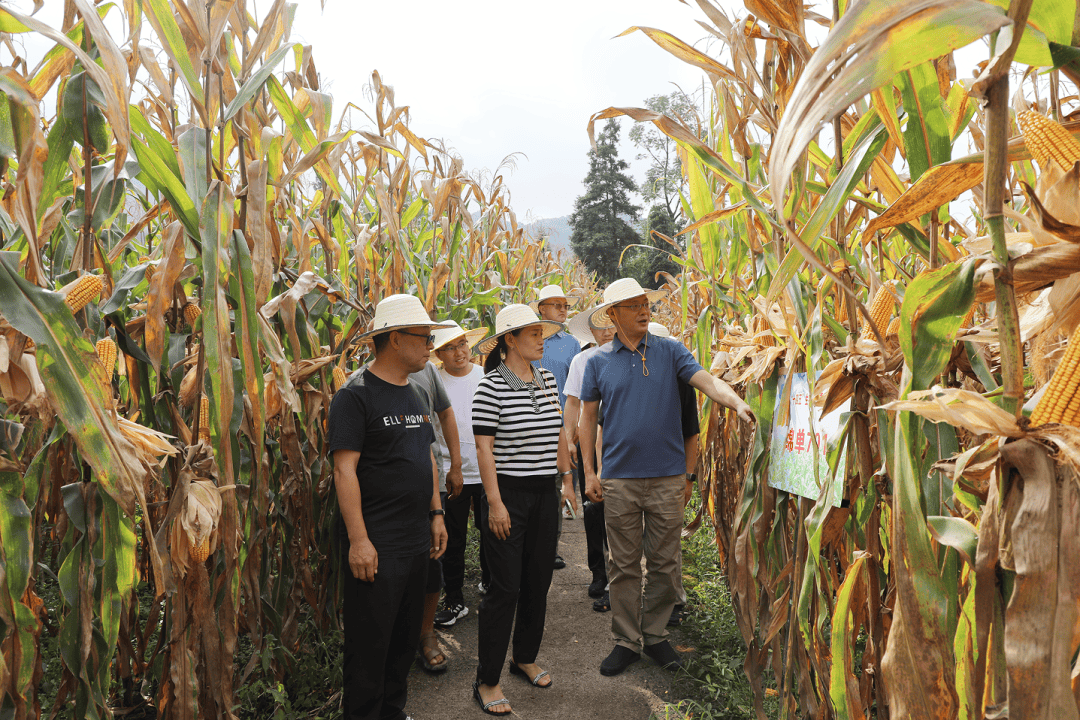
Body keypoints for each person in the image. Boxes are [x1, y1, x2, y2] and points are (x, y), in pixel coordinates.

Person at [578, 278, 754, 677]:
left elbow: (706, 380)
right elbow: (587, 419)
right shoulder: (598, 362)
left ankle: (655, 635)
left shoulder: (672, 351)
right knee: (623, 566)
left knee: (663, 563)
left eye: (646, 303)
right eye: (634, 305)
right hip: (619, 481)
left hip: (667, 480)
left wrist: (735, 401)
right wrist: (589, 470)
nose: (644, 310)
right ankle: (625, 641)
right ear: (613, 315)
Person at [327, 294, 448, 720]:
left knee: (401, 640)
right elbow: (345, 472)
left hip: (416, 539)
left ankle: (393, 711)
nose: (430, 344)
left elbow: (427, 457)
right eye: (424, 336)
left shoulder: (417, 393)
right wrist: (359, 540)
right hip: (377, 546)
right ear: (395, 339)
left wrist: (436, 513)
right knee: (369, 645)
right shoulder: (355, 397)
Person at [471, 304, 577, 716]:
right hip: (507, 495)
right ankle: (487, 679)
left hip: (543, 493)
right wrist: (495, 504)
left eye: (542, 333)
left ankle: (524, 657)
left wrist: (565, 482)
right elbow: (485, 449)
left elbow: (557, 434)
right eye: (533, 333)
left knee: (537, 580)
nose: (541, 339)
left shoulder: (548, 378)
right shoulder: (491, 387)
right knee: (505, 588)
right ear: (509, 340)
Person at [430, 320, 490, 629]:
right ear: (438, 353)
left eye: (462, 344)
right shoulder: (433, 382)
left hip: (486, 472)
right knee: (451, 540)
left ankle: (490, 584)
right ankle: (454, 600)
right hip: (451, 474)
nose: (459, 352)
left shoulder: (485, 377)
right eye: (449, 348)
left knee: (491, 532)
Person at [648, 321, 700, 627]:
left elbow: (691, 433)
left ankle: (674, 601)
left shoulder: (682, 384)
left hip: (670, 475)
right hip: (634, 476)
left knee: (667, 544)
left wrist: (688, 478)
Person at [563, 308, 615, 603]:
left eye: (610, 324)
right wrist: (569, 438)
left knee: (618, 510)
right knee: (593, 508)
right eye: (599, 326)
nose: (606, 331)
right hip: (589, 444)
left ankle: (618, 576)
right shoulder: (582, 360)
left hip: (619, 444)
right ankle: (598, 572)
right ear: (590, 332)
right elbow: (572, 403)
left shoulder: (630, 357)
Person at [530, 284, 581, 570]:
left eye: (565, 305)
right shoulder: (529, 338)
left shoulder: (572, 343)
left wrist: (572, 427)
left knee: (559, 484)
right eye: (557, 305)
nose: (563, 310)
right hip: (529, 422)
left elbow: (575, 387)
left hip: (560, 422)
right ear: (542, 309)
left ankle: (552, 547)